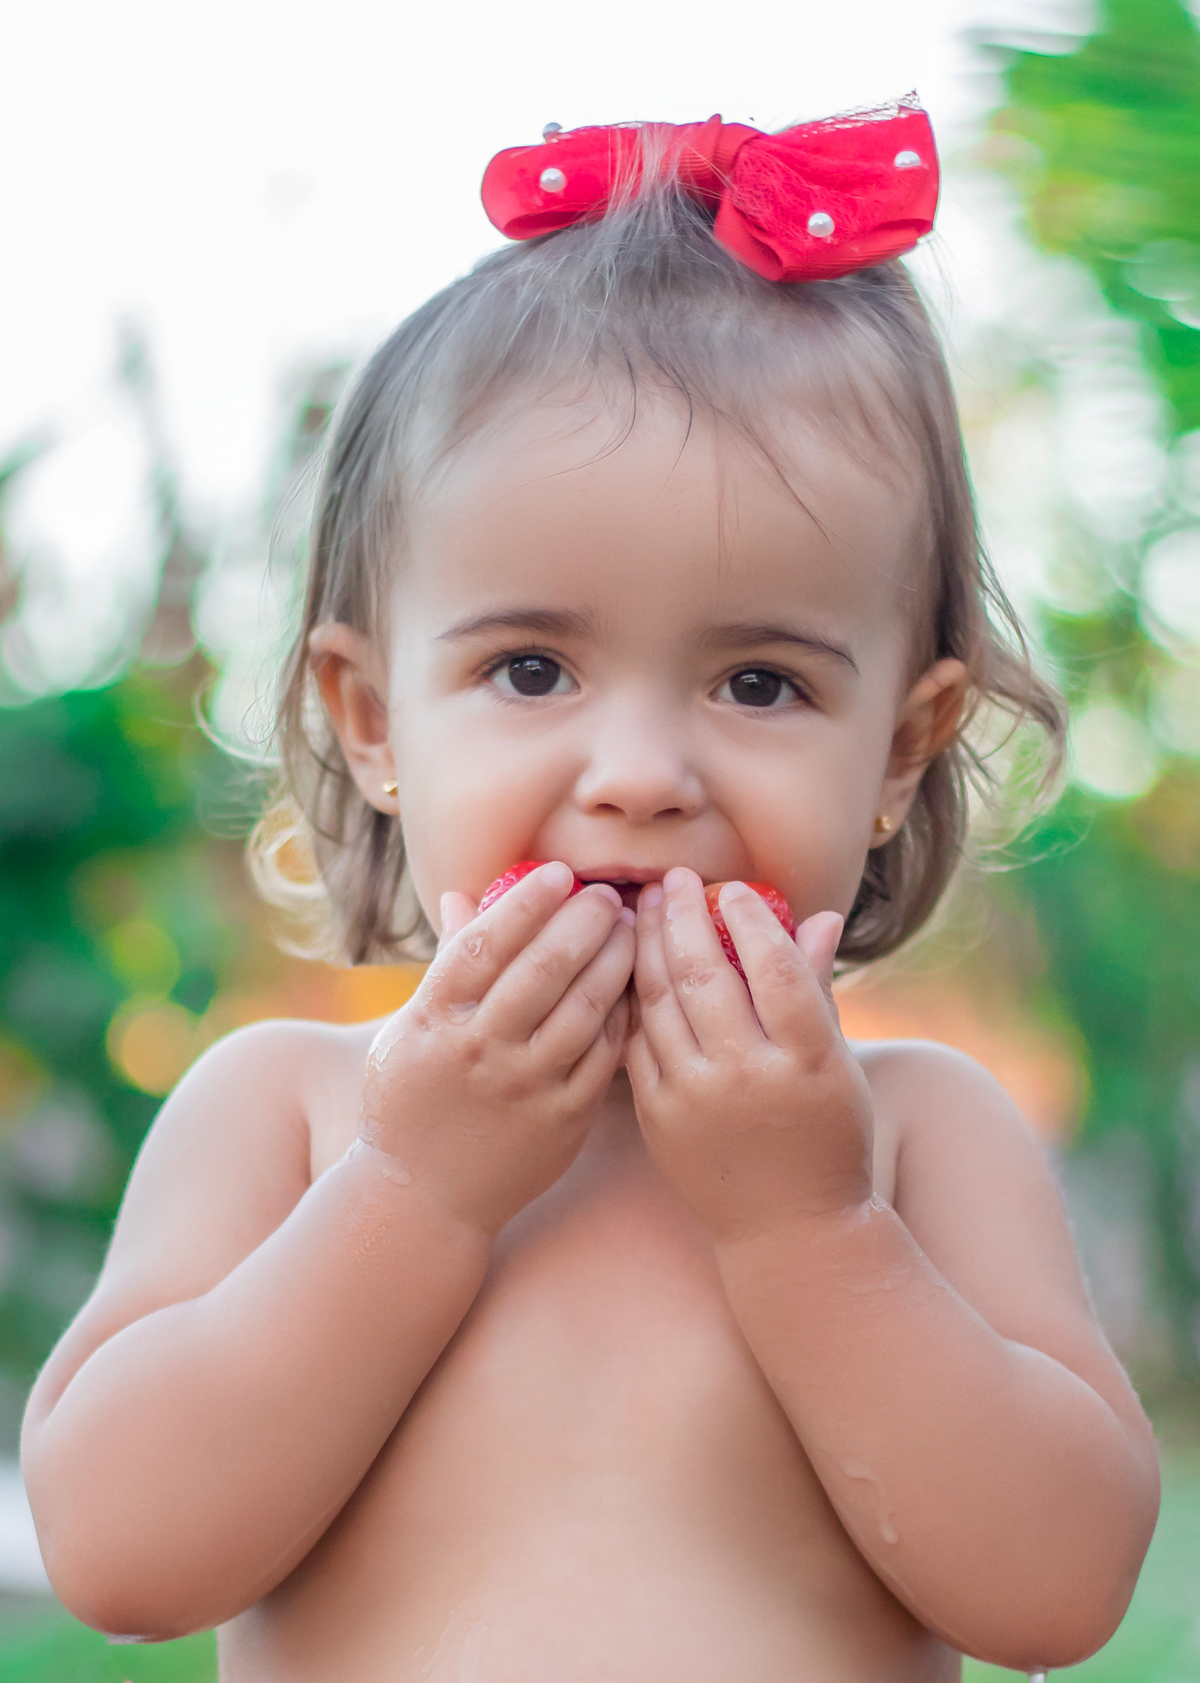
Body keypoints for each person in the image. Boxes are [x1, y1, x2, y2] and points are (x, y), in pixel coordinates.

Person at [22, 101, 1159, 1681]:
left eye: (760, 683)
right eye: (532, 666)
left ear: (899, 750)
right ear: (373, 722)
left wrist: (808, 1226)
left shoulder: (913, 1140)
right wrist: (413, 1192)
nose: (640, 772)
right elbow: (123, 1556)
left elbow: (1056, 1593)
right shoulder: (281, 1112)